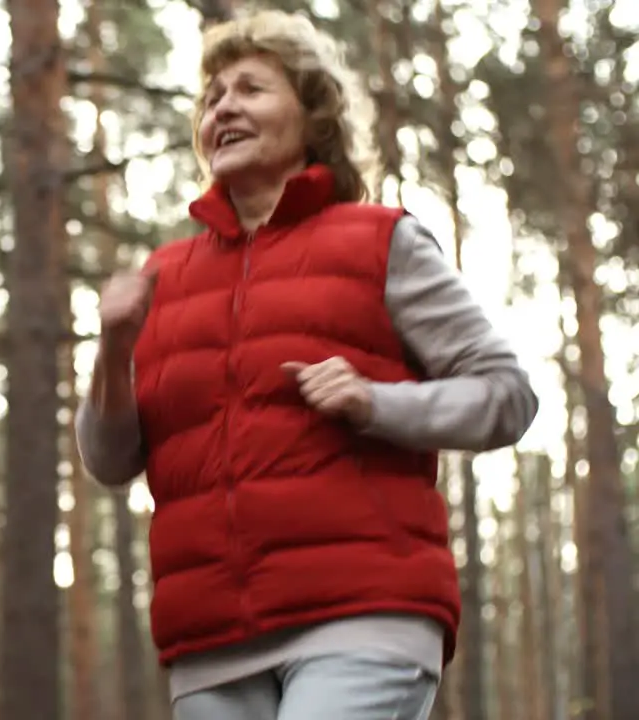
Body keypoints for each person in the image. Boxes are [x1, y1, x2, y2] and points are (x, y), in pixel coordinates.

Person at [76, 10, 537, 720]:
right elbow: (112, 461)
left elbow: (507, 395)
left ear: (312, 112)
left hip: (363, 613)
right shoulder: (163, 277)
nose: (224, 106)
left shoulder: (381, 242)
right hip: (210, 643)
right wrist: (112, 349)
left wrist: (376, 403)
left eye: (252, 89)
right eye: (212, 99)